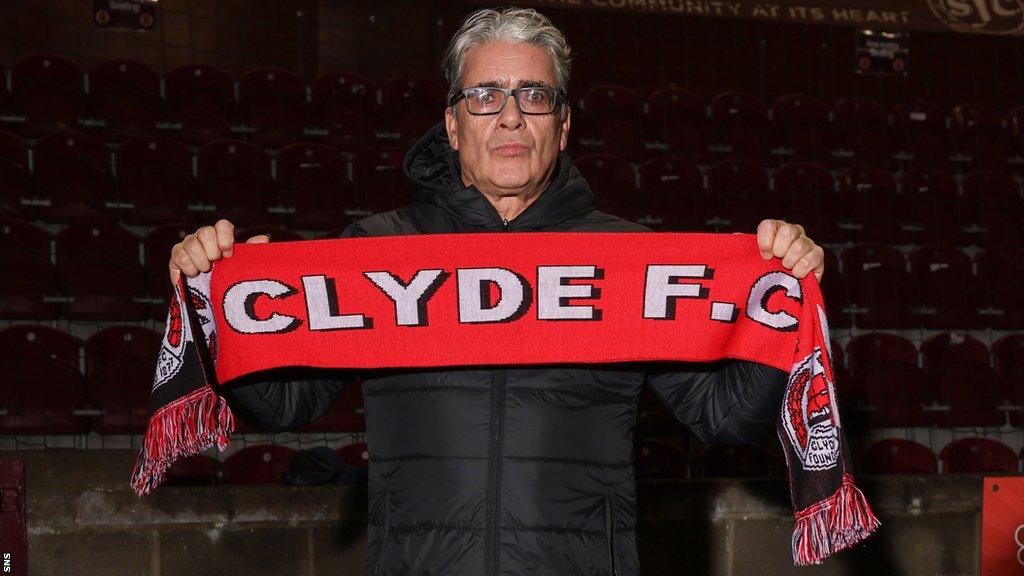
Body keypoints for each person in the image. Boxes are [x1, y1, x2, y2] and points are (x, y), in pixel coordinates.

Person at [168, 7, 826, 576]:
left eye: (534, 96)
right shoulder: (379, 251)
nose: (510, 116)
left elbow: (728, 417)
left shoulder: (628, 261)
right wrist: (222, 311)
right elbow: (286, 403)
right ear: (453, 126)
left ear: (562, 126)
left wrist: (778, 294)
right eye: (484, 95)